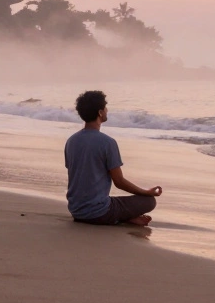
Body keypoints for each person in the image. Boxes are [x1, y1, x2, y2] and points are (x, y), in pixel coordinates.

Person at [64, 90, 162, 226]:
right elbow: (119, 182)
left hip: (76, 210)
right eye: (105, 107)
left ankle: (125, 217)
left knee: (111, 201)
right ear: (100, 112)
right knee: (149, 201)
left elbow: (77, 174)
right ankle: (121, 218)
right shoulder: (107, 143)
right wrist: (146, 192)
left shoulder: (71, 141)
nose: (107, 110)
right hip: (98, 212)